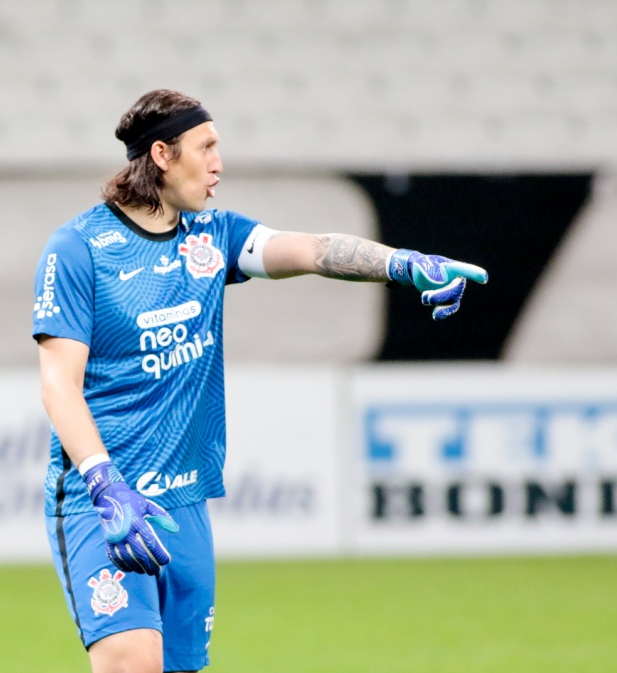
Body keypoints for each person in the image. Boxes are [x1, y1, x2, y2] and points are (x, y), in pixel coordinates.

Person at [32, 89, 488, 673]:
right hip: (106, 504)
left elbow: (313, 250)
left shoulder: (211, 235)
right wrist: (103, 484)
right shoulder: (77, 249)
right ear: (164, 155)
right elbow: (58, 385)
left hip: (183, 503)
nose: (219, 162)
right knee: (131, 664)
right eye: (207, 147)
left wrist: (401, 263)